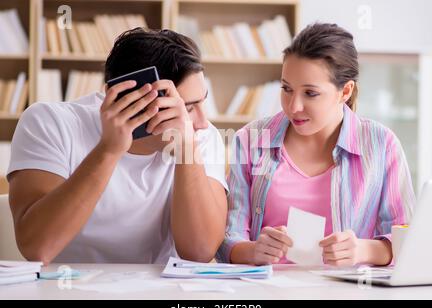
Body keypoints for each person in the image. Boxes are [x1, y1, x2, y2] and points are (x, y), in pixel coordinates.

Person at [7, 28, 228, 265]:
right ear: (138, 100)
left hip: (160, 291)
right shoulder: (49, 123)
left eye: (202, 102)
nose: (203, 123)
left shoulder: (200, 137)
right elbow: (37, 247)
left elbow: (199, 252)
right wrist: (109, 150)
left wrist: (187, 148)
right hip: (67, 289)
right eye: (189, 107)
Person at [217, 23, 415, 267]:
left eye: (310, 93)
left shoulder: (382, 145)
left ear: (345, 91)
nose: (293, 106)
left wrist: (364, 250)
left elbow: (408, 243)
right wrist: (252, 250)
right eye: (286, 89)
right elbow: (227, 239)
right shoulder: (251, 140)